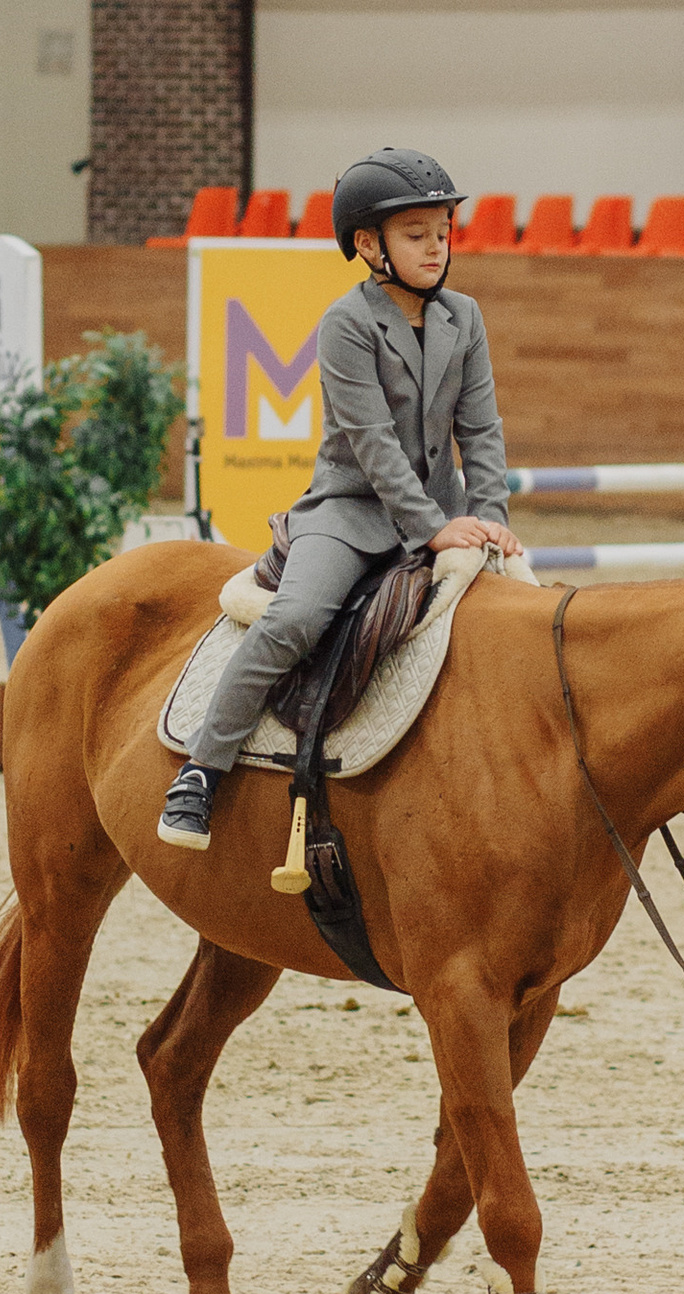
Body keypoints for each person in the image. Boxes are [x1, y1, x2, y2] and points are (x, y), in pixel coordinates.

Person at [158, 149, 526, 849]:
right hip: (350, 515)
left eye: (443, 231)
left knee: (534, 618)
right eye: (416, 235)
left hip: (449, 515)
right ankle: (203, 769)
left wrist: (492, 520)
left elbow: (482, 430)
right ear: (368, 245)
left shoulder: (465, 318)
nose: (436, 247)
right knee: (294, 618)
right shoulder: (346, 324)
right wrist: (433, 531)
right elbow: (375, 445)